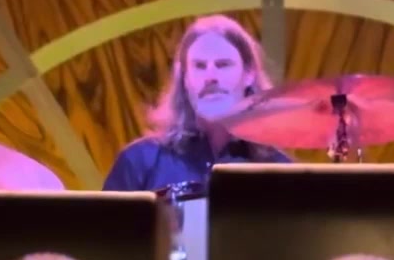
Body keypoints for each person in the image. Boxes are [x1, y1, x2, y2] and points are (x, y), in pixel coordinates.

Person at [102, 14, 292, 191]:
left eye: (223, 65)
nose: (210, 77)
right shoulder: (139, 162)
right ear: (185, 79)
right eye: (199, 66)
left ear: (249, 74)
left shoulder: (280, 171)